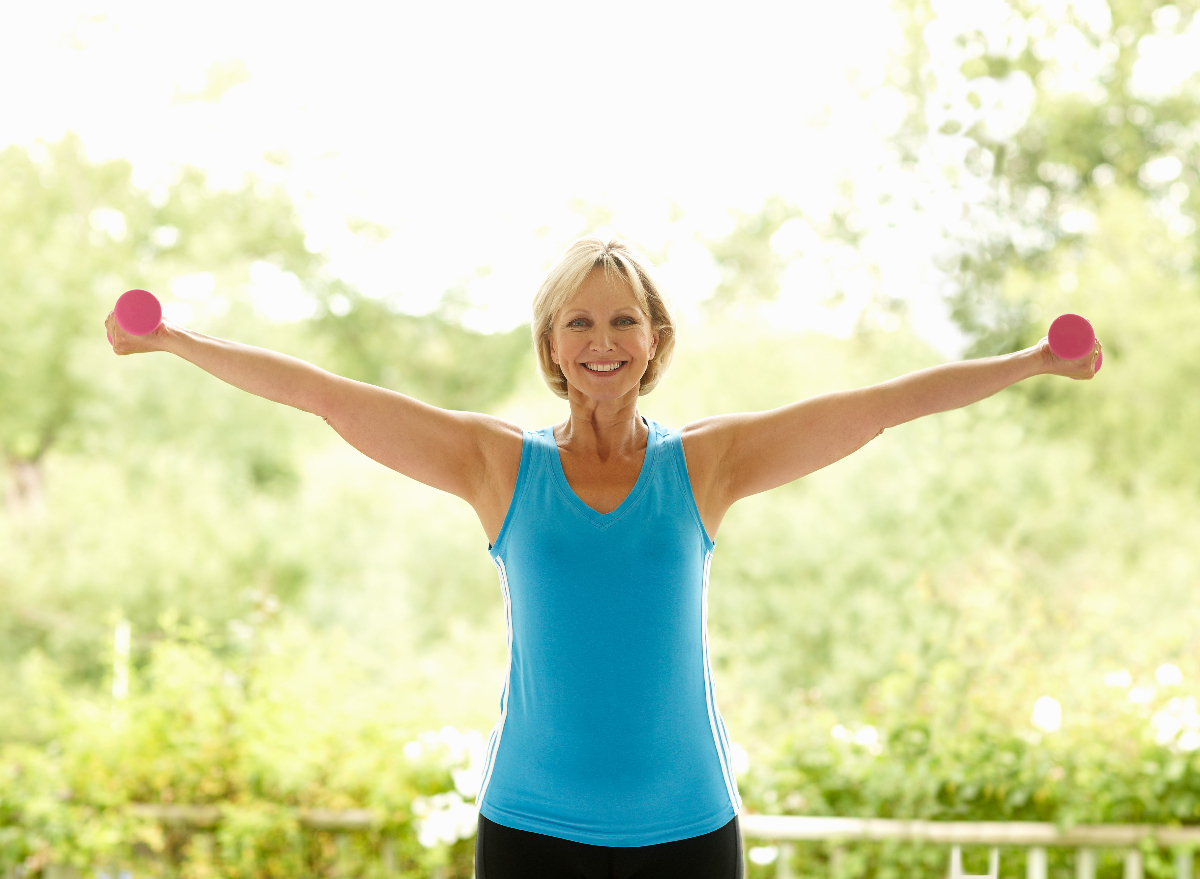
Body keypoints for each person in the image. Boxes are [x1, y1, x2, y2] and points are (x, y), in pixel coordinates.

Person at [106, 235, 1101, 879]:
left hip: (689, 833)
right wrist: (175, 339)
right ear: (550, 343)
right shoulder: (495, 466)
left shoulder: (708, 465)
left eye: (623, 319)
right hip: (532, 829)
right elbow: (326, 393)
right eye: (578, 320)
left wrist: (1037, 363)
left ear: (655, 339)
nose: (602, 339)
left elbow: (881, 405)